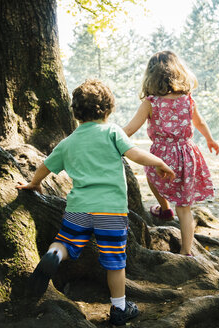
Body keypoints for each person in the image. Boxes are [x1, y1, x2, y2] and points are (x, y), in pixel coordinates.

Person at [16, 79, 175, 326]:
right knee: (114, 262)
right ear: (108, 109)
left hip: (79, 208)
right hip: (111, 211)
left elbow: (46, 166)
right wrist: (158, 162)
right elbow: (134, 154)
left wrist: (33, 183)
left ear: (76, 112)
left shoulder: (69, 142)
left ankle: (54, 254)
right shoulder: (113, 132)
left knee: (65, 243)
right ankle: (119, 308)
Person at [123, 50, 219, 256]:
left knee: (151, 174)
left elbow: (130, 129)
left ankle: (163, 206)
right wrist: (210, 139)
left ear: (151, 77)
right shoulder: (187, 100)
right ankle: (186, 251)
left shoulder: (150, 102)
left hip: (160, 157)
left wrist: (108, 135)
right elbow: (200, 122)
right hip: (187, 154)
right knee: (184, 208)